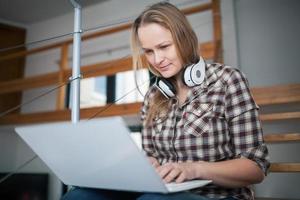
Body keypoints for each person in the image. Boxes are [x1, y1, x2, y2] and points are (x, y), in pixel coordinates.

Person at [62, 2, 270, 200]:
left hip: (220, 196)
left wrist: (194, 169)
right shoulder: (153, 95)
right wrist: (146, 164)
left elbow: (255, 167)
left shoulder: (227, 81)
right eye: (149, 51)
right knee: (79, 195)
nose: (157, 59)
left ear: (185, 39)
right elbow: (151, 156)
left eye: (164, 46)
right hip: (163, 193)